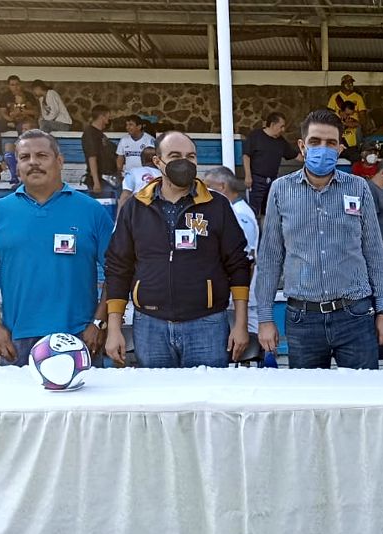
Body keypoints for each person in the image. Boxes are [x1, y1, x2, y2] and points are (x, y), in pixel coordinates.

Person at [254, 109, 383, 369]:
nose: (323, 149)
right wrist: (265, 318)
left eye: (330, 143)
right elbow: (270, 258)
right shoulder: (280, 190)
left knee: (363, 392)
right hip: (303, 319)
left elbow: (373, 251)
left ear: (340, 149)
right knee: (309, 395)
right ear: (302, 146)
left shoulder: (358, 188)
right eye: (315, 141)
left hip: (355, 314)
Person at [0, 130, 113, 368]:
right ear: (16, 165)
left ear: (60, 161)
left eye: (42, 155)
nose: (33, 162)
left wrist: (98, 323)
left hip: (79, 338)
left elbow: (116, 272)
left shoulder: (92, 211)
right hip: (16, 340)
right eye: (24, 157)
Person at [104, 132, 252, 368]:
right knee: (157, 392)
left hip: (208, 324)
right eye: (175, 156)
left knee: (210, 391)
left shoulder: (217, 205)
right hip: (150, 325)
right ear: (157, 161)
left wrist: (240, 324)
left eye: (190, 156)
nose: (184, 162)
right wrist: (114, 328)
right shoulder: (135, 207)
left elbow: (238, 264)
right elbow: (118, 267)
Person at [205, 167, 261, 335]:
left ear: (222, 186)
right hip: (232, 298)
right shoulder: (231, 211)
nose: (205, 191)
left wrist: (239, 296)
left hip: (241, 300)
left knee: (248, 340)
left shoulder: (240, 214)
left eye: (208, 186)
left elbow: (246, 260)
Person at [242, 112, 300, 217]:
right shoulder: (255, 136)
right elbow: (246, 155)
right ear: (273, 124)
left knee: (269, 212)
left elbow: (296, 156)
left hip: (272, 182)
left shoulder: (281, 142)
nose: (283, 130)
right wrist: (248, 176)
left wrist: (312, 158)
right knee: (253, 211)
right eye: (281, 126)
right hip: (256, 181)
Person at [0, 75, 38, 156]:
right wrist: (10, 120)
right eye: (12, 85)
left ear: (20, 84)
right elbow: (3, 113)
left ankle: (22, 153)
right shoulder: (5, 96)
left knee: (22, 127)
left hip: (23, 121)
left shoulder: (29, 95)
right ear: (9, 86)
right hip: (9, 121)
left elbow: (36, 112)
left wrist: (23, 111)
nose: (15, 87)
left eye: (17, 84)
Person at [81, 105, 118, 199]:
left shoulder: (100, 134)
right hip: (100, 180)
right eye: (108, 116)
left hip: (108, 179)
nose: (109, 118)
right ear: (102, 116)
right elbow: (92, 157)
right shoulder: (90, 133)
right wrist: (96, 182)